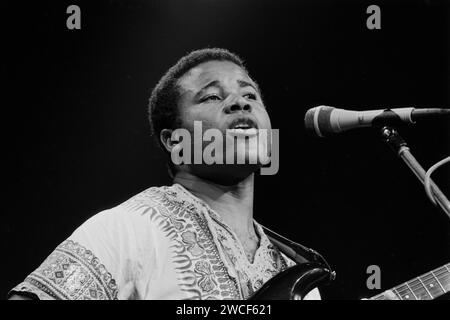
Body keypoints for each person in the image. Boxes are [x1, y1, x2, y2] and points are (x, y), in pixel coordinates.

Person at [8, 48, 322, 300]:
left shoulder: (297, 271)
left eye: (250, 95)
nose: (239, 102)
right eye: (212, 96)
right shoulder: (126, 229)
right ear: (174, 141)